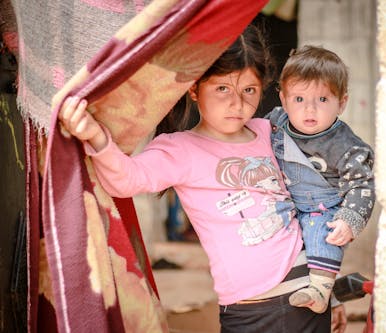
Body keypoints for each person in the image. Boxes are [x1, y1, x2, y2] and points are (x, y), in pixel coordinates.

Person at [58, 25, 347, 333]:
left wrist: (328, 288)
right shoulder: (181, 149)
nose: (237, 104)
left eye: (249, 90)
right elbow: (126, 180)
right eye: (223, 89)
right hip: (250, 310)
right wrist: (96, 138)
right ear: (194, 89)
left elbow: (307, 204)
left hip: (307, 292)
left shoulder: (270, 132)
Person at [266, 45, 375, 314]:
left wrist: (350, 219)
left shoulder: (346, 145)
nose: (310, 109)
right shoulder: (275, 123)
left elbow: (361, 185)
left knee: (323, 233)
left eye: (323, 100)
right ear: (283, 99)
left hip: (322, 207)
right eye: (299, 99)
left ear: (342, 102)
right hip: (287, 201)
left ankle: (321, 289)